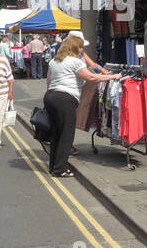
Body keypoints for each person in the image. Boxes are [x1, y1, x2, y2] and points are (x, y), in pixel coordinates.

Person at [43, 34, 119, 177]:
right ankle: (60, 169)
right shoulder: (75, 62)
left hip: (50, 96)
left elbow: (48, 80)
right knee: (66, 135)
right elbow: (91, 77)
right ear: (74, 47)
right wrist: (112, 77)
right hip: (65, 99)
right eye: (80, 46)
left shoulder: (54, 61)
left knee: (56, 134)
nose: (82, 49)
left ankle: (54, 166)